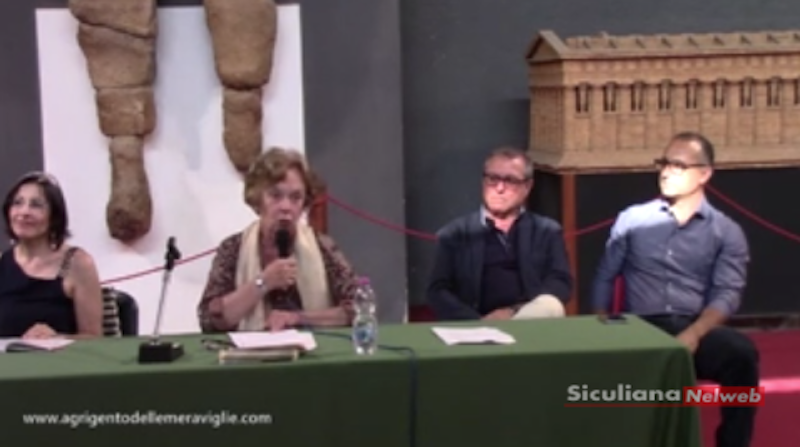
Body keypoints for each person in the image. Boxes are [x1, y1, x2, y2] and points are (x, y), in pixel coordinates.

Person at [591, 132, 758, 447]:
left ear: (704, 174)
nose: (666, 172)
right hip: (639, 326)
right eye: (663, 163)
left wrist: (694, 334)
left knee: (742, 355)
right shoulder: (633, 219)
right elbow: (605, 275)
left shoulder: (726, 232)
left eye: (678, 165)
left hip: (692, 325)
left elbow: (727, 293)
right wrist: (600, 322)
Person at [198, 147, 359, 333]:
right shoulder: (233, 249)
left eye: (295, 197)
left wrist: (297, 318)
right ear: (258, 199)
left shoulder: (322, 246)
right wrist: (263, 282)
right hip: (252, 351)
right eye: (275, 196)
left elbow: (358, 307)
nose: (286, 207)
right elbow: (208, 319)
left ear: (304, 203)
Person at [427, 146, 572, 321]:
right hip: (475, 325)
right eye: (493, 179)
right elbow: (438, 291)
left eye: (510, 180)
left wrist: (513, 312)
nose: (499, 188)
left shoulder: (547, 231)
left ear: (527, 186)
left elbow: (561, 282)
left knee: (551, 305)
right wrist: (479, 322)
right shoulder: (454, 234)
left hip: (529, 322)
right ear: (483, 181)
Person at [0, 171, 103, 339]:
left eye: (36, 205)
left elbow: (94, 337)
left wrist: (57, 338)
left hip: (62, 356)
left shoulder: (77, 263)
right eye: (17, 203)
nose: (24, 212)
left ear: (54, 217)